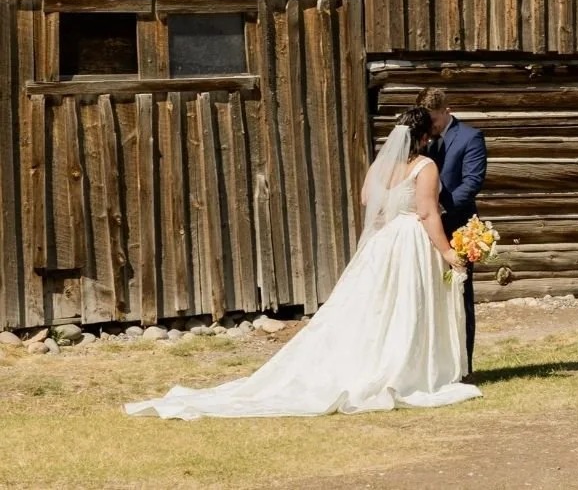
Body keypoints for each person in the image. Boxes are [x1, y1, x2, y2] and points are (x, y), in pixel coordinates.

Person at [124, 108, 481, 419]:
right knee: (406, 308)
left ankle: (372, 362)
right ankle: (405, 369)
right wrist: (449, 252)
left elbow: (365, 200)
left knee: (371, 309)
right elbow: (427, 213)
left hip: (382, 242)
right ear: (421, 137)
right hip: (408, 240)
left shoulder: (379, 166)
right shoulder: (424, 166)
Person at [416, 88, 487, 377]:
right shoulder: (422, 141)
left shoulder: (470, 137)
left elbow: (471, 183)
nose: (430, 126)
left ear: (446, 111)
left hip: (456, 226)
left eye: (433, 119)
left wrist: (440, 211)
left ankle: (464, 367)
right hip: (424, 230)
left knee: (460, 296)